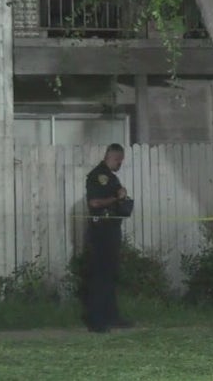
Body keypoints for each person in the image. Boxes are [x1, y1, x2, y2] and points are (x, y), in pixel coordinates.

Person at [83, 143, 134, 333]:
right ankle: (97, 322)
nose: (120, 164)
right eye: (119, 160)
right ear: (111, 156)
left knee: (111, 275)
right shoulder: (98, 176)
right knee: (100, 276)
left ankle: (112, 316)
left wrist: (122, 198)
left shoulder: (111, 178)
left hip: (111, 229)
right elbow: (94, 202)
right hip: (100, 232)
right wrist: (116, 198)